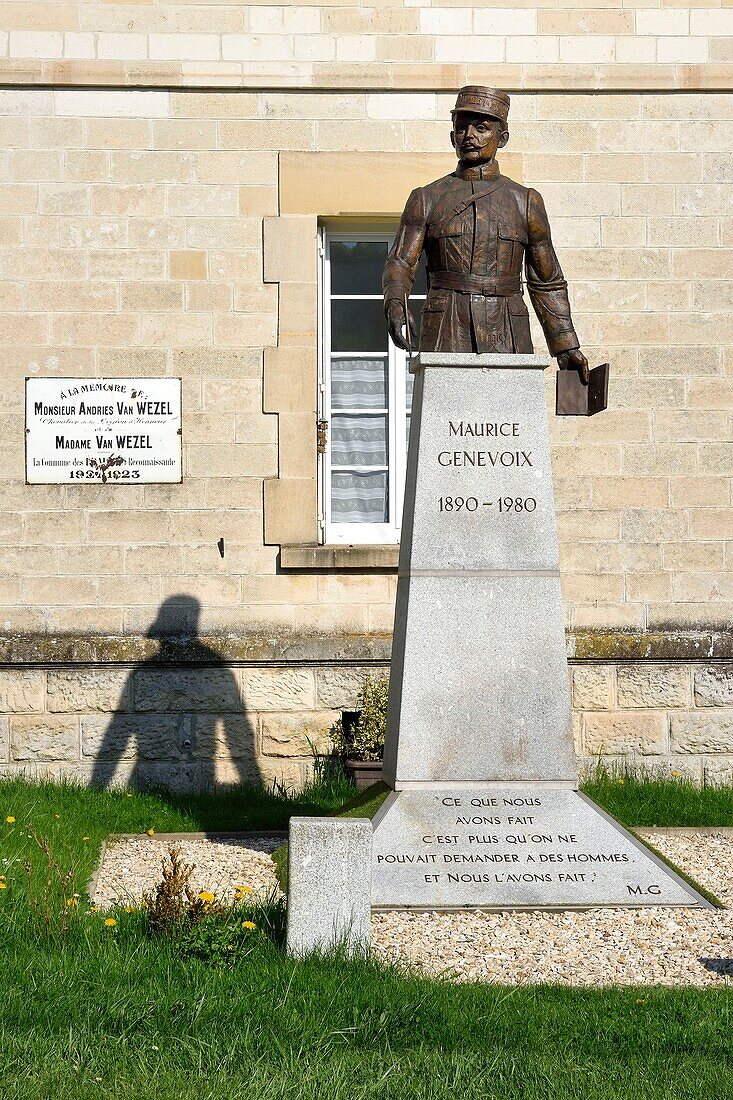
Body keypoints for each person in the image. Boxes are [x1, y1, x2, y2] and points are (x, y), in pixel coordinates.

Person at [383, 85, 589, 382]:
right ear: (452, 136)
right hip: (446, 326)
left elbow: (547, 279)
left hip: (506, 325)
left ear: (501, 138)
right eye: (462, 128)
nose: (470, 136)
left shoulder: (526, 201)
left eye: (481, 128)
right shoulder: (426, 198)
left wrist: (565, 345)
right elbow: (400, 262)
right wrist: (394, 301)